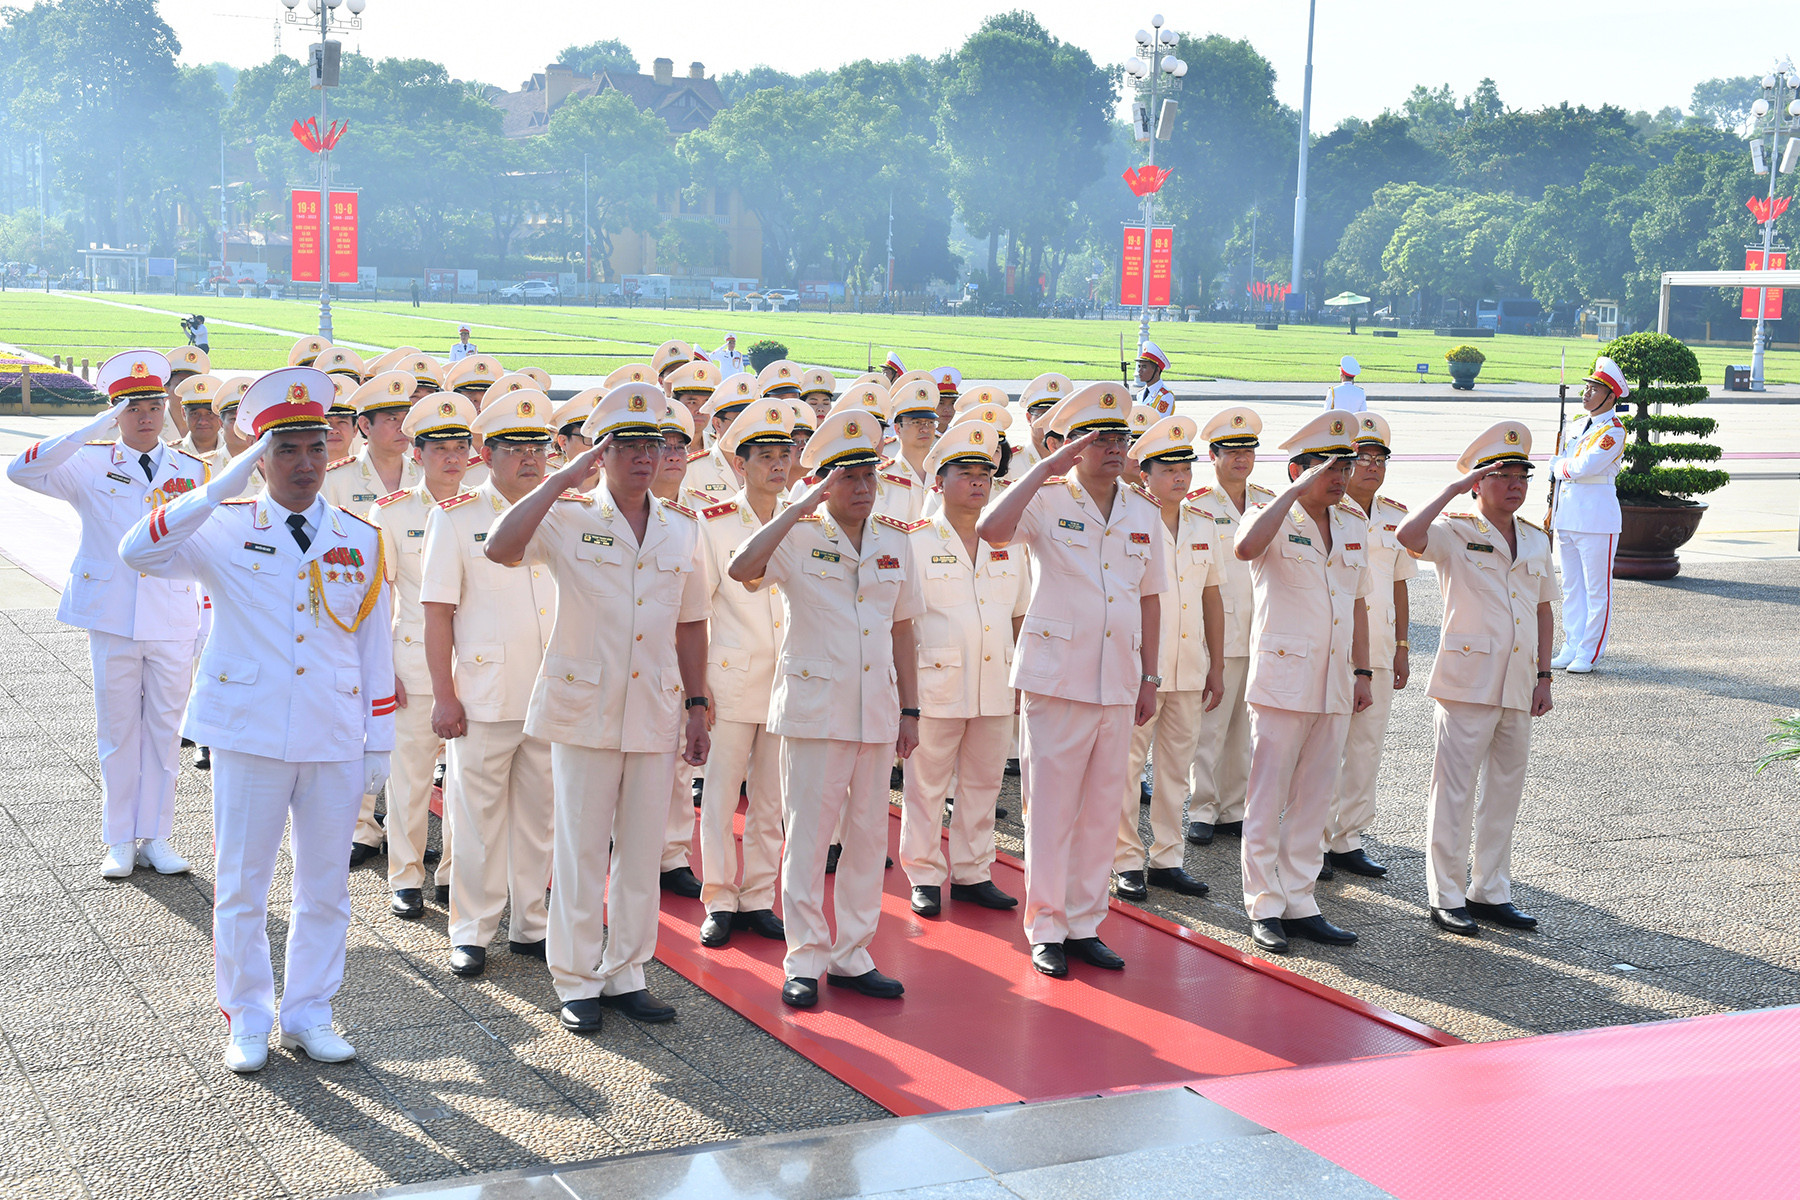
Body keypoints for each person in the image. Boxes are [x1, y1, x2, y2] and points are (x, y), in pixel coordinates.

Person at [119, 366, 393, 1074]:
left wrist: (380, 739)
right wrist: (216, 488)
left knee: (326, 886)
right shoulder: (226, 526)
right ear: (260, 456)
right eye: (286, 450)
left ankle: (310, 1013)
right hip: (249, 730)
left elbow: (374, 646)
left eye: (314, 449)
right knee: (243, 885)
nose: (305, 464)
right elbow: (138, 551)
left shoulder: (360, 538)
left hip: (333, 733)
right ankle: (247, 1017)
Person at [482, 382, 711, 1034]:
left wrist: (698, 704)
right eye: (629, 444)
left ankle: (627, 972)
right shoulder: (570, 514)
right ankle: (578, 979)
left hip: (654, 707)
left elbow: (690, 623)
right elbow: (500, 546)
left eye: (656, 443)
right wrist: (559, 481)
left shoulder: (680, 527)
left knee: (641, 851)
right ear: (601, 452)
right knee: (580, 849)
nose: (646, 456)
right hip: (584, 706)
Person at [728, 408, 922, 1009]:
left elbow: (904, 630)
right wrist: (794, 507)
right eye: (849, 478)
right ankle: (805, 958)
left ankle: (853, 955)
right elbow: (741, 568)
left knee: (866, 839)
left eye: (870, 476)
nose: (863, 489)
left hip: (875, 710)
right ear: (823, 482)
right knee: (809, 841)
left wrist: (910, 712)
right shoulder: (798, 536)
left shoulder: (895, 539)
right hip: (815, 710)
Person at [977, 383, 1164, 979]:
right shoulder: (1048, 497)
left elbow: (1152, 599)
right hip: (1057, 679)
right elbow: (990, 529)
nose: (1113, 447)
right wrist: (1045, 468)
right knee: (1051, 809)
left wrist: (1150, 678)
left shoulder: (1143, 511)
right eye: (1099, 437)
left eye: (1120, 437)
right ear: (1072, 446)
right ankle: (1047, 926)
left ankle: (1086, 922)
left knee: (1104, 808)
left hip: (1119, 678)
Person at [7, 350, 204, 879]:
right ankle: (119, 837)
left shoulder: (191, 469)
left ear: (166, 408)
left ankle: (157, 835)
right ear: (115, 412)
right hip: (114, 613)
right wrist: (90, 427)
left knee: (164, 733)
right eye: (130, 406)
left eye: (153, 404)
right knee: (117, 732)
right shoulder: (90, 462)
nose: (144, 415)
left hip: (172, 615)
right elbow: (20, 471)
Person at [418, 391, 559, 978]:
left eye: (538, 447)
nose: (530, 458)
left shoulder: (564, 512)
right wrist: (444, 694)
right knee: (474, 822)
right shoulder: (456, 516)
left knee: (540, 817)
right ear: (486, 451)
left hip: (551, 693)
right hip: (482, 695)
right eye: (515, 447)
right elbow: (436, 613)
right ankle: (472, 931)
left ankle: (531, 924)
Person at [1396, 421, 1555, 936]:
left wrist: (1545, 675)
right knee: (1455, 791)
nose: (1515, 485)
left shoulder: (1533, 537)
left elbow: (1543, 609)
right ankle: (1446, 895)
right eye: (1502, 475)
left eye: (1521, 476)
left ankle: (1489, 891)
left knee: (1505, 790)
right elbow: (1408, 537)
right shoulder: (1456, 530)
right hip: (1466, 679)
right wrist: (1449, 490)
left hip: (1517, 679)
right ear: (1479, 481)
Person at [1231, 410, 1373, 956]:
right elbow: (1245, 550)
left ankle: (1300, 898)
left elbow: (1358, 604)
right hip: (1283, 678)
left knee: (1316, 793)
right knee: (1267, 795)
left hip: (1335, 679)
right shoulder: (1272, 516)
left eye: (1345, 466)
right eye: (1328, 467)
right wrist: (1291, 494)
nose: (1340, 477)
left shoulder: (1354, 524)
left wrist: (1362, 671)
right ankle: (1263, 904)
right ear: (1298, 470)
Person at [899, 419, 1026, 918]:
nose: (977, 482)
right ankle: (925, 873)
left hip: (995, 680)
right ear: (939, 482)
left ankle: (974, 871)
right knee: (926, 785)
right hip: (935, 682)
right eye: (965, 472)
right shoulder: (913, 541)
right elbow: (902, 622)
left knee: (983, 784)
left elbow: (1020, 611)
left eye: (985, 473)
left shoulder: (1008, 540)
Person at [691, 402, 795, 947]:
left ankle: (758, 897)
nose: (778, 466)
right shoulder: (714, 524)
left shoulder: (801, 518)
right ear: (742, 461)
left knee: (772, 799)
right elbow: (698, 605)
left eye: (785, 456)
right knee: (722, 794)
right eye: (766, 457)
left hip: (785, 680)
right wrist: (699, 687)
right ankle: (719, 897)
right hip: (729, 677)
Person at [370, 393, 475, 920]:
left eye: (460, 446)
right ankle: (405, 875)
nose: (452, 458)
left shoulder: (485, 511)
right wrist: (382, 667)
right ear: (418, 452)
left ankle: (455, 875)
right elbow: (376, 597)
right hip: (411, 657)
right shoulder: (391, 513)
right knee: (409, 776)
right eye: (440, 448)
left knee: (465, 780)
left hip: (475, 662)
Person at [1112, 415, 1222, 902]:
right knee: (1127, 768)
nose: (1180, 477)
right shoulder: (1129, 522)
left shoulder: (1203, 521)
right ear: (1146, 474)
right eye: (1168, 468)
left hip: (1189, 667)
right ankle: (1126, 860)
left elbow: (1212, 597)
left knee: (1177, 768)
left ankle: (1168, 858)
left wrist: (1216, 663)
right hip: (1139, 670)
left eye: (1185, 468)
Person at [1325, 411, 1416, 879]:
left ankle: (1348, 839)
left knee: (1366, 747)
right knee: (1323, 746)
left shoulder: (1395, 517)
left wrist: (1403, 644)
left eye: (1380, 459)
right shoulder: (1327, 510)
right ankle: (1314, 836)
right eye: (1363, 458)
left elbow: (1400, 583)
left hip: (1379, 646)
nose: (1372, 467)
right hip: (1334, 644)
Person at [1184, 407, 1270, 846]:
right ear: (1213, 455)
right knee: (1210, 727)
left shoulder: (1268, 503)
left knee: (1243, 729)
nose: (1242, 458)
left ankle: (1233, 808)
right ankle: (1202, 807)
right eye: (1232, 451)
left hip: (1262, 631)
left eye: (1248, 450)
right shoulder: (1196, 505)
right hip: (1216, 633)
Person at [1549, 356, 1628, 674]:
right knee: (1571, 586)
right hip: (1568, 516)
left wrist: (1557, 467)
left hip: (1596, 520)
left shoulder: (1613, 432)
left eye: (1594, 389)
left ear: (1611, 397)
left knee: (1597, 590)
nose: (1586, 393)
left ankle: (1590, 651)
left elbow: (1582, 468)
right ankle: (1571, 644)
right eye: (1587, 387)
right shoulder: (1579, 427)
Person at [876, 378, 941, 521]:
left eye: (930, 423)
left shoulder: (946, 473)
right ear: (898, 428)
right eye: (916, 422)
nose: (925, 428)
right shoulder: (881, 478)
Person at [1136, 342, 1176, 417]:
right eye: (1139, 366)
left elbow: (1158, 423)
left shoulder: (1165, 396)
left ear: (1157, 370)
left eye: (1144, 367)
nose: (1139, 371)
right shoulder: (1140, 394)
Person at [931, 367, 962, 432]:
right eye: (941, 403)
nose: (947, 410)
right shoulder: (918, 438)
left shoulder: (958, 436)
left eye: (953, 403)